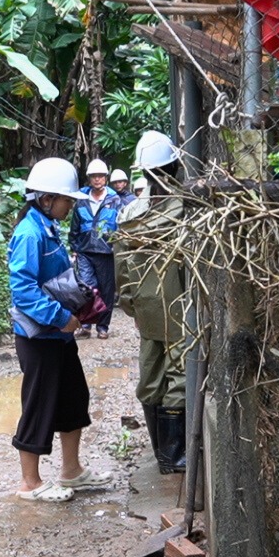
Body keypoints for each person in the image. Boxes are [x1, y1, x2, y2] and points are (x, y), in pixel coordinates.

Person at [8, 158, 113, 502]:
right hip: (40, 337)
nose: (71, 204)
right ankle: (30, 483)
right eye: (67, 199)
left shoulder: (48, 226)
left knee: (73, 398)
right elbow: (23, 290)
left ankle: (71, 471)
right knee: (39, 404)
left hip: (60, 334)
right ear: (46, 198)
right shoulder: (29, 232)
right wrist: (59, 316)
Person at [114, 131, 188, 474]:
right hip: (179, 305)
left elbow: (121, 270)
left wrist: (131, 303)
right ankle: (174, 457)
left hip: (145, 307)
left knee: (151, 373)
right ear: (174, 166)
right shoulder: (185, 208)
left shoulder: (130, 213)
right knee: (179, 373)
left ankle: (162, 454)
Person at [69, 158, 126, 339]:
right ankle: (85, 325)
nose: (97, 180)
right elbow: (74, 226)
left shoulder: (115, 200)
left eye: (100, 176)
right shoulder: (81, 200)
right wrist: (74, 247)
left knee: (106, 289)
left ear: (106, 178)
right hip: (85, 251)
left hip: (107, 252)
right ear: (89, 178)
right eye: (94, 176)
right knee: (86, 287)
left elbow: (122, 226)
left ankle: (103, 326)